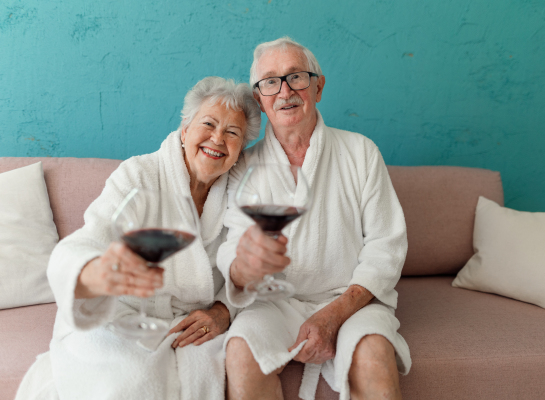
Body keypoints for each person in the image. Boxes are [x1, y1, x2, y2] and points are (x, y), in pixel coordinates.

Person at [15, 77, 261, 400]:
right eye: (209, 124)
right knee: (129, 383)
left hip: (192, 329)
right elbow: (83, 244)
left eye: (232, 133)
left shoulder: (241, 193)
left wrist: (224, 309)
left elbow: (253, 268)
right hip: (121, 315)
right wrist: (98, 272)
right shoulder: (139, 175)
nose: (218, 138)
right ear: (185, 131)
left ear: (239, 150)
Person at [217, 37, 411, 400]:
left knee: (374, 356)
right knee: (241, 353)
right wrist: (244, 266)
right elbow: (232, 246)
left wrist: (335, 314)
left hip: (351, 300)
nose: (285, 91)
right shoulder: (244, 164)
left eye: (297, 77)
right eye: (271, 82)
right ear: (259, 100)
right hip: (273, 303)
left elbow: (387, 247)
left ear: (318, 87)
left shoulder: (361, 152)